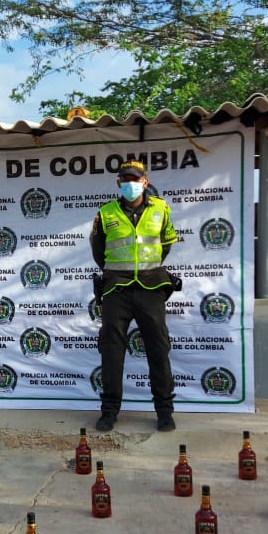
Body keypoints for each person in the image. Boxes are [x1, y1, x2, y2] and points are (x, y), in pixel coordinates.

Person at [90, 160, 179, 432]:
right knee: (111, 351)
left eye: (135, 178)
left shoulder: (161, 209)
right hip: (117, 289)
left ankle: (164, 412)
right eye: (125, 179)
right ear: (119, 183)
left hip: (151, 289)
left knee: (158, 350)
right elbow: (98, 251)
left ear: (144, 181)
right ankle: (109, 412)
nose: (130, 183)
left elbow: (165, 245)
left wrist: (146, 269)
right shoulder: (105, 213)